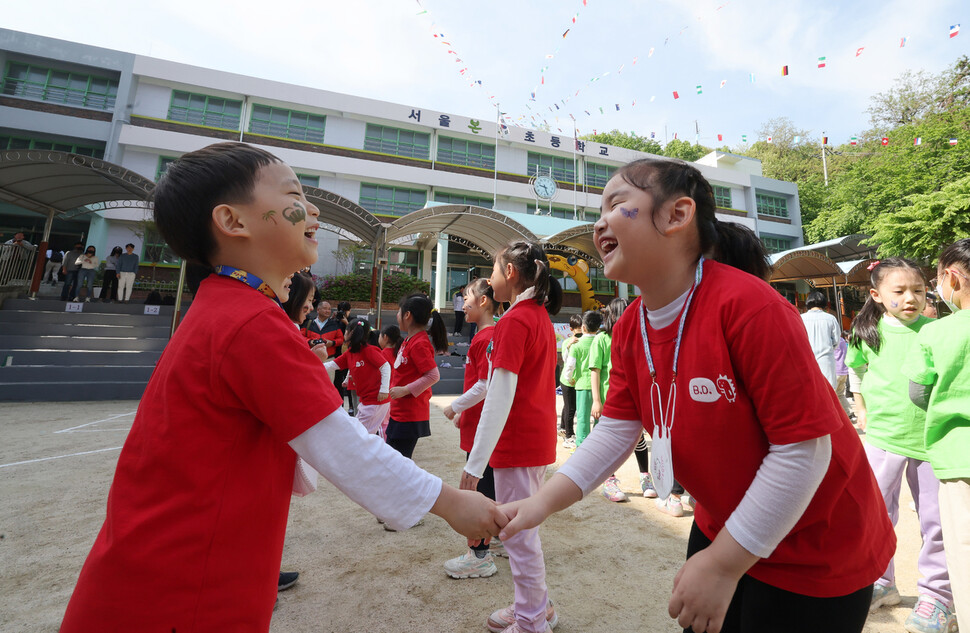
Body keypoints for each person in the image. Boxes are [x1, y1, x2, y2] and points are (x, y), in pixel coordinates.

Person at [59, 142, 506, 632]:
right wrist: (451, 503)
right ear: (232, 222)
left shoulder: (229, 308)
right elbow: (341, 445)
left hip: (164, 579)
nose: (312, 208)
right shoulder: (249, 322)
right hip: (181, 590)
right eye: (294, 193)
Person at [497, 159, 895, 633]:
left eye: (617, 204)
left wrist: (724, 565)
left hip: (817, 545)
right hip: (722, 526)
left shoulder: (748, 305)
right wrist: (540, 504)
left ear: (676, 216)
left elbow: (803, 452)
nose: (600, 221)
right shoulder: (629, 328)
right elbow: (615, 431)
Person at [846, 257, 956, 633]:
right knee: (875, 515)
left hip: (930, 443)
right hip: (882, 438)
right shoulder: (867, 332)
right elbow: (856, 371)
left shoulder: (937, 330)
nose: (911, 298)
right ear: (876, 295)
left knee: (936, 522)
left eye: (918, 290)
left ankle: (937, 598)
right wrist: (860, 408)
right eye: (900, 291)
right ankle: (880, 581)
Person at [461, 240, 563, 633]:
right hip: (530, 441)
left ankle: (533, 619)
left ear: (510, 273)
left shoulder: (516, 321)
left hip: (518, 444)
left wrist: (474, 464)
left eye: (492, 269)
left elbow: (499, 396)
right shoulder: (533, 316)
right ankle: (536, 607)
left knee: (518, 537)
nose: (488, 279)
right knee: (523, 534)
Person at [905, 238, 970, 632]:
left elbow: (918, 391)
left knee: (964, 549)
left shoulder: (936, 333)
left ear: (951, 278)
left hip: (957, 456)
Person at [442, 278, 502, 579]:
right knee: (489, 485)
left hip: (482, 428)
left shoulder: (485, 338)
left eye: (467, 296)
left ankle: (479, 555)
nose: (462, 302)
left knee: (478, 488)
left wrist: (456, 406)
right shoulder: (487, 336)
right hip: (479, 425)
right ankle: (497, 537)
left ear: (483, 302)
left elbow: (483, 384)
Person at [385, 293, 448, 460]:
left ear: (407, 315)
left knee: (397, 464)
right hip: (401, 411)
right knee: (394, 461)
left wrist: (405, 390)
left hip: (409, 414)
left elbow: (433, 375)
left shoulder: (419, 342)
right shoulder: (410, 340)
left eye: (399, 312)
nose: (396, 316)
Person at [590, 298, 631, 503]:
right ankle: (608, 479)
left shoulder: (631, 336)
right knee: (605, 442)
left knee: (638, 440)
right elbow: (595, 371)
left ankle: (645, 477)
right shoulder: (602, 339)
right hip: (608, 401)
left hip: (629, 401)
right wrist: (596, 400)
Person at [325, 319, 390, 435]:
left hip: (376, 400)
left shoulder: (369, 350)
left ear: (351, 333)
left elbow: (385, 366)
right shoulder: (351, 352)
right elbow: (332, 365)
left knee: (362, 435)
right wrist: (309, 365)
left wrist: (384, 389)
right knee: (362, 433)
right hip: (367, 401)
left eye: (345, 331)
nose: (344, 334)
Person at [561, 310, 601, 448]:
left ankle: (582, 447)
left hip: (582, 385)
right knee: (599, 418)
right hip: (599, 386)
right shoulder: (600, 342)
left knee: (583, 419)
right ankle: (598, 445)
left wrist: (569, 378)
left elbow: (569, 365)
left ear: (583, 327)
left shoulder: (576, 344)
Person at [801, 291, 841, 390]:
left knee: (810, 390)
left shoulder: (801, 318)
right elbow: (836, 340)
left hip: (806, 360)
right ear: (824, 303)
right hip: (826, 360)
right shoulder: (830, 318)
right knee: (829, 391)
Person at [558, 314, 583, 449]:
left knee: (568, 405)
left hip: (575, 379)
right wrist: (569, 345)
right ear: (571, 329)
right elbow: (566, 360)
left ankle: (562, 427)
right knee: (571, 408)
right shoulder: (566, 342)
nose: (579, 333)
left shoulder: (583, 340)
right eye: (577, 330)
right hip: (567, 380)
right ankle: (569, 435)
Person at [378, 324, 404, 439]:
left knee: (384, 423)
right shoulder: (400, 352)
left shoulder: (382, 354)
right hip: (398, 392)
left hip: (386, 393)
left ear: (385, 337)